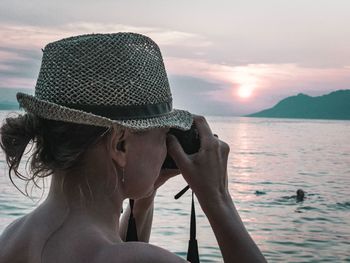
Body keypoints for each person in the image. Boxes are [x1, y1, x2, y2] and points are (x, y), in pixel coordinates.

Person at [0, 33, 266, 263]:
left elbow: (111, 249)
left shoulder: (13, 238)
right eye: (163, 135)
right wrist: (218, 198)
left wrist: (142, 201)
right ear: (120, 144)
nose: (166, 150)